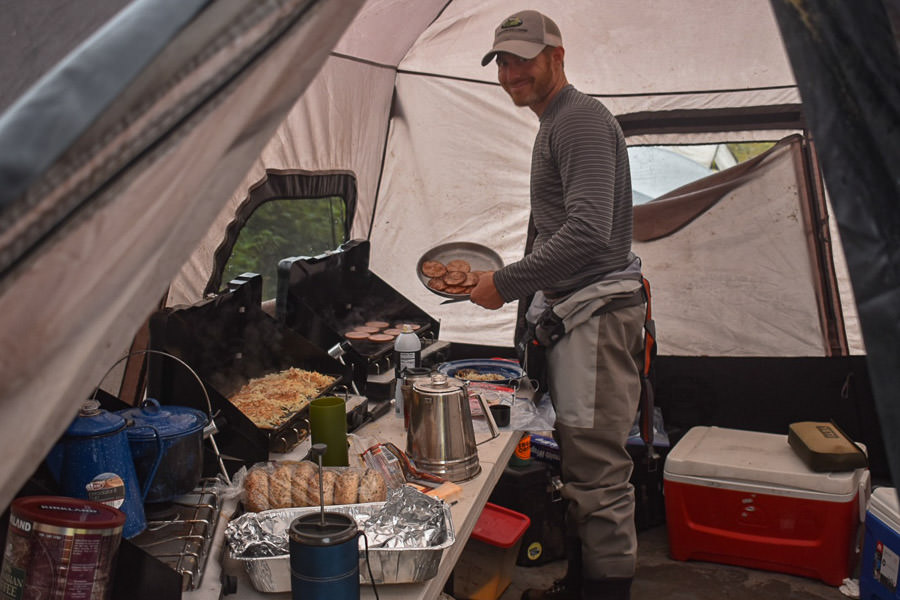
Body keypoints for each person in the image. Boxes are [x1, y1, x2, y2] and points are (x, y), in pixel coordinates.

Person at [471, 10, 647, 600]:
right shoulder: (556, 121)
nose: (510, 73)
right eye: (502, 61)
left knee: (597, 475)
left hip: (597, 316)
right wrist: (527, 304)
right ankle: (581, 585)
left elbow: (591, 234)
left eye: (523, 59)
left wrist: (506, 283)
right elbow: (556, 228)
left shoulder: (578, 121)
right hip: (576, 314)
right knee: (580, 465)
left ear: (557, 56)